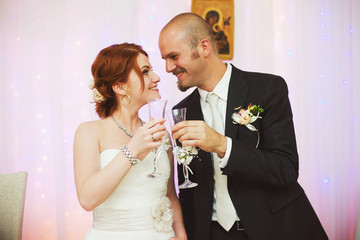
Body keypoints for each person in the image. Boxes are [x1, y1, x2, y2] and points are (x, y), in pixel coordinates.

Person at [159, 13, 328, 240]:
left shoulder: (267, 89)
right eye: (165, 60)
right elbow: (189, 190)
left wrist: (222, 145)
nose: (169, 67)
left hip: (273, 229)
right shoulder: (182, 111)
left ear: (204, 47)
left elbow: (285, 169)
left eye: (174, 56)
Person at [73, 43, 187, 240]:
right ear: (119, 86)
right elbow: (87, 199)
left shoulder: (161, 134)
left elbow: (169, 195)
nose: (156, 77)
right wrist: (133, 148)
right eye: (145, 72)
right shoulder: (89, 132)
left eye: (151, 70)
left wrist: (181, 234)